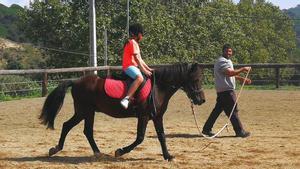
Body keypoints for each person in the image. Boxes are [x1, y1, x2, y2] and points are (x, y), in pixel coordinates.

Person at [202, 44, 252, 138]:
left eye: (230, 51)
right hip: (226, 91)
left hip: (223, 90)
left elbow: (229, 74)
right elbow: (229, 73)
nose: (229, 53)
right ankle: (239, 131)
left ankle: (206, 129)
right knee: (233, 110)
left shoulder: (227, 61)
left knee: (217, 111)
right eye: (227, 51)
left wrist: (240, 79)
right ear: (223, 51)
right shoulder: (222, 61)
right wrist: (243, 69)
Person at [120, 23, 153, 109]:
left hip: (133, 66)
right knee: (140, 78)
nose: (142, 36)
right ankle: (126, 99)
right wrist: (145, 71)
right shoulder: (132, 43)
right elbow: (137, 60)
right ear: (138, 34)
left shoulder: (135, 43)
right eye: (141, 34)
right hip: (128, 67)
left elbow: (141, 59)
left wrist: (149, 69)